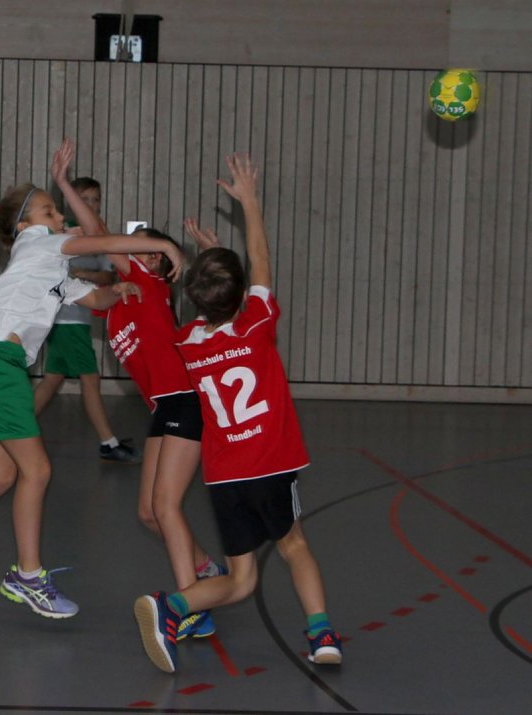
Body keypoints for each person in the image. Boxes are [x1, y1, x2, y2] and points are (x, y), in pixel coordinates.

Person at [0, 138, 184, 619]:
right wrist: (159, 243)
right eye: (48, 210)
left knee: (1, 474)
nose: (58, 217)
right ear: (24, 225)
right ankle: (28, 576)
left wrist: (120, 291)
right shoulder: (39, 244)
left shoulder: (52, 268)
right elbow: (100, 242)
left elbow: (96, 300)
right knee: (36, 471)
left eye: (58, 213)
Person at [133, 154, 342, 673]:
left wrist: (209, 264)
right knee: (294, 546)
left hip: (225, 477)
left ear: (195, 297)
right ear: (240, 294)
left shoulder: (189, 343)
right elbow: (260, 264)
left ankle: (174, 605)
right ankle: (322, 635)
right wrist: (249, 203)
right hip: (270, 464)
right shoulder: (256, 324)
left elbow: (221, 294)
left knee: (241, 578)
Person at [105, 227, 226, 641]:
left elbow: (99, 236)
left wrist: (65, 188)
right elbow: (93, 254)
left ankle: (193, 606)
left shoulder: (149, 282)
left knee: (166, 505)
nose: (141, 255)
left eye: (152, 251)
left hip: (185, 401)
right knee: (148, 513)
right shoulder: (120, 296)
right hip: (162, 407)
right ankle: (208, 570)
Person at [34, 176, 139, 464]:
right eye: (85, 199)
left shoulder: (97, 235)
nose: (91, 205)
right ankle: (108, 442)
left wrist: (84, 274)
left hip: (81, 315)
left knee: (53, 378)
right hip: (65, 319)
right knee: (90, 378)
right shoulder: (60, 234)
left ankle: (19, 430)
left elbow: (108, 275)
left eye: (96, 200)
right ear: (72, 202)